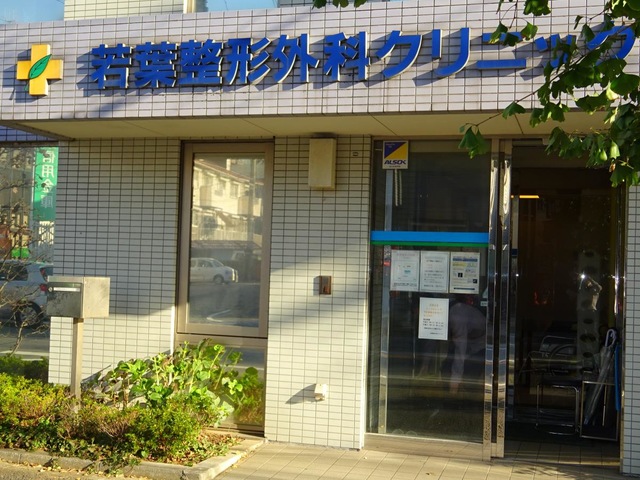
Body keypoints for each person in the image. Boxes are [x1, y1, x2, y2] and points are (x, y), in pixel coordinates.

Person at [448, 296, 486, 394]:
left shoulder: (457, 313)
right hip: (471, 341)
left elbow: (460, 349)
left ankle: (461, 391)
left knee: (470, 378)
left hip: (480, 344)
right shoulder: (455, 311)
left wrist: (455, 380)